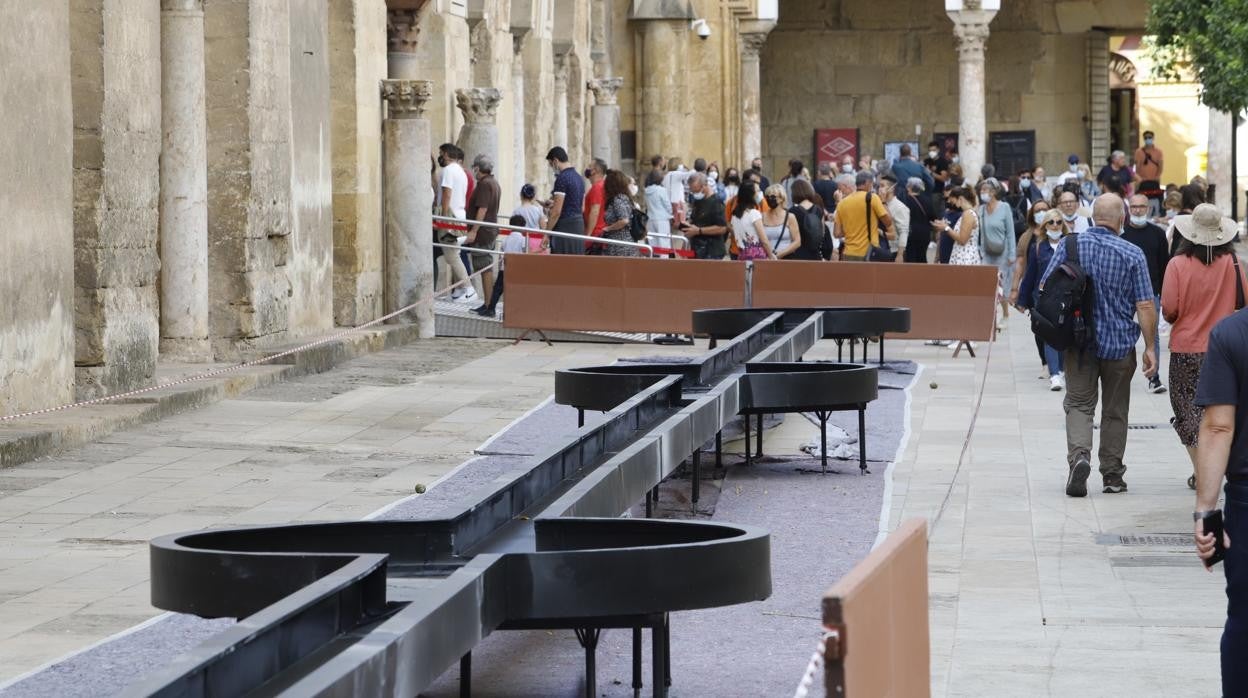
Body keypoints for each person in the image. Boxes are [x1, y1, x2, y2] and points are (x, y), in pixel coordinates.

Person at [1040, 194, 1159, 497]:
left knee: (1079, 404)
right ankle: (1112, 476)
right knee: (1116, 409)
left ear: (1092, 217)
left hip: (1078, 345)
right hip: (1119, 345)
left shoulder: (1070, 245)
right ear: (1123, 220)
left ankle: (1079, 457)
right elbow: (1145, 304)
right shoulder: (1132, 253)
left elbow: (1046, 287)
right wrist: (1149, 347)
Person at [1164, 204, 1246, 492]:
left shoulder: (1176, 264)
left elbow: (1169, 309)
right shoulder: (1234, 263)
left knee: (1187, 412)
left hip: (1186, 348)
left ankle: (1202, 472)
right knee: (1222, 410)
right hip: (1227, 348)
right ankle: (1211, 469)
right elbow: (1243, 302)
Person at [1017, 210, 1073, 390]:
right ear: (1045, 226)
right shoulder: (1038, 248)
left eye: (1058, 222)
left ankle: (1062, 370)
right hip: (1044, 299)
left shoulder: (1070, 246)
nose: (1055, 225)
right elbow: (1030, 275)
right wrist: (1022, 300)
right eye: (1051, 222)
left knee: (1064, 336)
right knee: (1049, 336)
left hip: (1066, 298)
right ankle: (1054, 374)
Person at [1122, 194, 1172, 394]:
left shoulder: (1158, 234)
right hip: (1124, 293)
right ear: (1128, 209)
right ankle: (1119, 374)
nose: (1137, 210)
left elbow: (1164, 265)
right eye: (1133, 207)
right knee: (1123, 333)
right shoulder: (1121, 233)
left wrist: (1162, 292)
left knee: (1152, 336)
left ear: (1148, 209)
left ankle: (1154, 377)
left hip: (1151, 292)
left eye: (1141, 207)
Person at [1010, 199, 1054, 374]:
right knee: (1039, 326)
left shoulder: (1056, 232)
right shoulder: (1027, 236)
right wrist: (1015, 288)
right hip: (1035, 288)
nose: (1041, 213)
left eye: (1044, 209)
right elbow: (1020, 263)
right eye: (1038, 210)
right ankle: (1045, 362)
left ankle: (1057, 363)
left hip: (1056, 288)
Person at [975, 177, 1017, 327]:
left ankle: (1005, 314)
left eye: (985, 190)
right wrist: (980, 251)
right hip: (986, 253)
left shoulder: (1004, 207)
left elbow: (1010, 232)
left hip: (1003, 253)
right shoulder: (981, 210)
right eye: (981, 190)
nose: (982, 193)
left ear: (993, 192)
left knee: (1003, 286)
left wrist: (1012, 253)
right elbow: (981, 233)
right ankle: (992, 316)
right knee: (987, 285)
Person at [436, 143, 473, 299]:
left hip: (450, 217)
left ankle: (468, 288)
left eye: (441, 153)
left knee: (452, 255)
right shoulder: (461, 172)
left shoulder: (449, 170)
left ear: (446, 154)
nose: (440, 157)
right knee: (454, 253)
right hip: (459, 216)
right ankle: (460, 289)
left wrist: (443, 217)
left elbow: (447, 193)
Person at [474, 214, 529, 318]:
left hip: (505, 268)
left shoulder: (506, 239)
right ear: (523, 227)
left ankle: (491, 309)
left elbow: (501, 256)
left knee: (497, 290)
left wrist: (500, 267)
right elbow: (525, 254)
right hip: (518, 270)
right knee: (515, 292)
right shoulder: (524, 239)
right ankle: (513, 313)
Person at [833, 171, 894, 262]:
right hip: (868, 253)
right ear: (868, 183)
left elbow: (837, 233)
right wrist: (883, 201)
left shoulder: (842, 203)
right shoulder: (872, 198)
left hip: (848, 253)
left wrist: (852, 230)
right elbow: (888, 222)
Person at [466, 154, 501, 308]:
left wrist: (474, 230)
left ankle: (488, 304)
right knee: (484, 267)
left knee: (484, 267)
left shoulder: (484, 184)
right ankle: (488, 303)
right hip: (489, 231)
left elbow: (482, 209)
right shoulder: (493, 182)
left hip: (483, 233)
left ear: (478, 168)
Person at [543, 146, 585, 255]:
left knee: (562, 265)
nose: (552, 167)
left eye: (551, 164)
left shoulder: (562, 178)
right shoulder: (579, 178)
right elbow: (580, 205)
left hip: (565, 228)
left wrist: (546, 233)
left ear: (556, 161)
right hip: (579, 226)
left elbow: (556, 212)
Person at [681, 172, 729, 260]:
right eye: (692, 190)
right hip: (697, 249)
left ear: (704, 186)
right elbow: (695, 219)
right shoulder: (698, 201)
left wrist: (699, 231)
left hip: (712, 251)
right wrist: (687, 224)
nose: (693, 193)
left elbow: (722, 228)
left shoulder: (716, 202)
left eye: (695, 190)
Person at [934, 185, 982, 266]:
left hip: (965, 257)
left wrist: (946, 228)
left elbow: (962, 240)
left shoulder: (968, 214)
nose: (952, 203)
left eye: (953, 201)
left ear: (960, 199)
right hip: (962, 256)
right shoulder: (967, 213)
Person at [730, 181, 777, 261]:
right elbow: (764, 240)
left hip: (742, 256)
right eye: (758, 191)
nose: (760, 193)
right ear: (751, 195)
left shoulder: (734, 216)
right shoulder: (754, 214)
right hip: (757, 257)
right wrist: (771, 255)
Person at [598, 169, 639, 257]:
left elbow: (624, 220)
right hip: (623, 243)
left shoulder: (618, 200)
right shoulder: (624, 198)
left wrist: (608, 228)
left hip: (620, 244)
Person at [789, 178, 830, 261]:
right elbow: (822, 233)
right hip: (815, 254)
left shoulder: (792, 211)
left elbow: (791, 236)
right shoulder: (818, 210)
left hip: (798, 255)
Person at [761, 184, 802, 259]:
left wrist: (779, 255)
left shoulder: (790, 217)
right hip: (766, 259)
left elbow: (797, 241)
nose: (769, 199)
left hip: (786, 259)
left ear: (781, 198)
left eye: (773, 197)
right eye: (767, 197)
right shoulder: (762, 216)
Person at [900, 177, 934, 264]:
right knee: (922, 257)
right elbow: (933, 217)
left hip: (911, 233)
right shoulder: (927, 200)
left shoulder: (905, 200)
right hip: (925, 233)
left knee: (910, 258)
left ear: (909, 187)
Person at [880, 174, 910, 262]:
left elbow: (904, 232)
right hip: (880, 248)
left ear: (892, 188)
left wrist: (900, 255)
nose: (880, 189)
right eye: (879, 186)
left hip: (893, 251)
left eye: (882, 186)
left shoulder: (900, 207)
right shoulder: (878, 203)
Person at [1134, 130, 1165, 214]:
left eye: (1150, 137)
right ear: (1144, 139)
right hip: (1142, 181)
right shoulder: (1139, 152)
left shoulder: (1158, 152)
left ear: (1153, 138)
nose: (1148, 139)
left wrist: (1157, 176)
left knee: (1156, 200)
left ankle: (1157, 214)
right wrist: (1138, 179)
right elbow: (1137, 167)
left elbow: (1160, 165)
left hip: (1154, 181)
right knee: (1142, 200)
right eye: (1146, 138)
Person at [582, 158, 608, 252]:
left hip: (596, 234)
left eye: (590, 167)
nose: (587, 169)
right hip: (600, 233)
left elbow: (595, 211)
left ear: (595, 171)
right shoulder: (603, 186)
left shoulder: (597, 188)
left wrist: (588, 235)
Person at [643, 169, 673, 252]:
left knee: (653, 246)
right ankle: (664, 264)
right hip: (662, 219)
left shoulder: (646, 190)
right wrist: (671, 213)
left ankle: (653, 263)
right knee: (664, 245)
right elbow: (667, 205)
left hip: (650, 219)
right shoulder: (661, 190)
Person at [511, 184, 546, 252]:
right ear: (533, 196)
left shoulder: (516, 211)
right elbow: (544, 227)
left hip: (521, 241)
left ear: (521, 195)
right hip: (536, 241)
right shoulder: (538, 210)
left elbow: (514, 231)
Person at [663, 157, 692, 228]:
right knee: (679, 226)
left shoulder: (665, 176)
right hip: (677, 203)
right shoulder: (677, 174)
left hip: (668, 202)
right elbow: (689, 175)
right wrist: (687, 168)